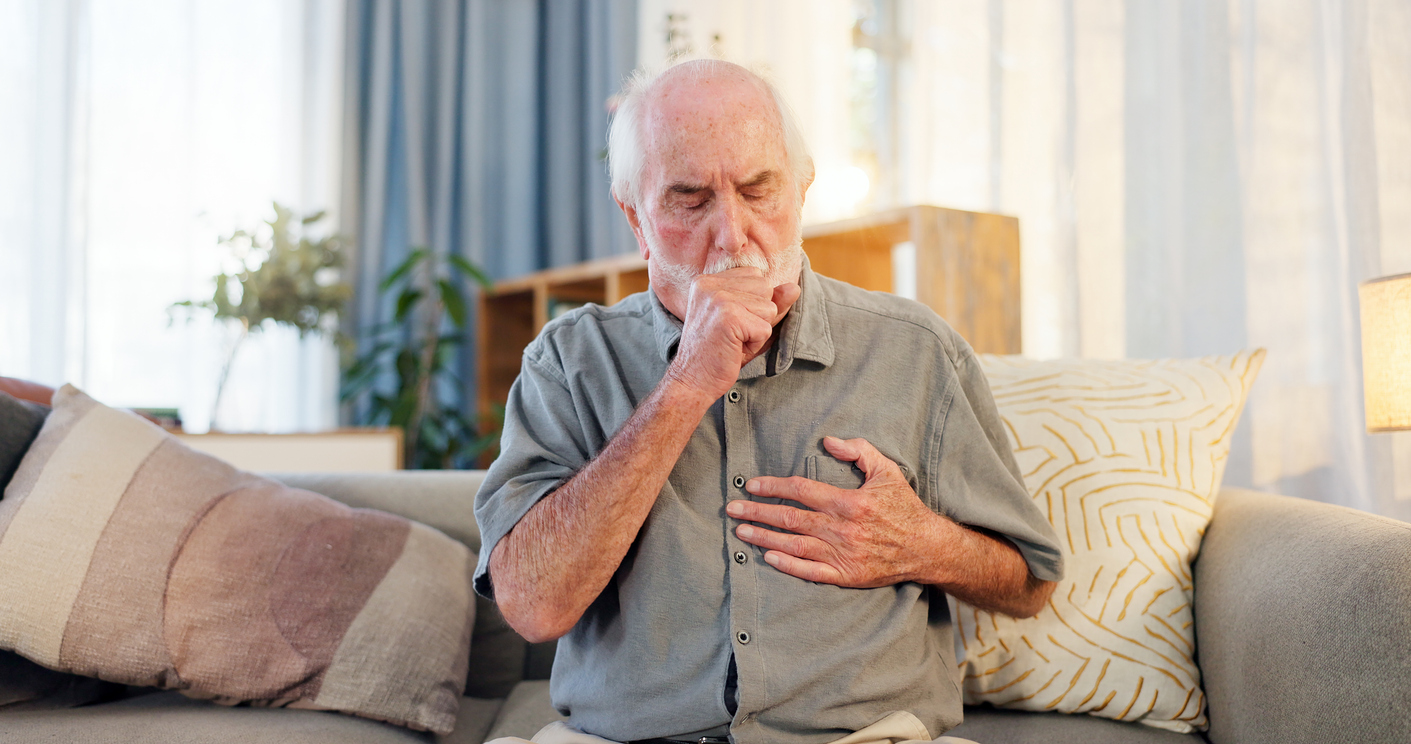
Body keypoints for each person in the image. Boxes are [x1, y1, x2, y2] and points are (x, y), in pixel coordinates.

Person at [474, 59, 1064, 744]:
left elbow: (1029, 583)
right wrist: (687, 382)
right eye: (689, 201)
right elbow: (532, 606)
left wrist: (922, 545)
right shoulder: (570, 361)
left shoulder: (914, 350)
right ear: (636, 219)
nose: (733, 234)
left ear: (802, 190)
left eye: (760, 191)